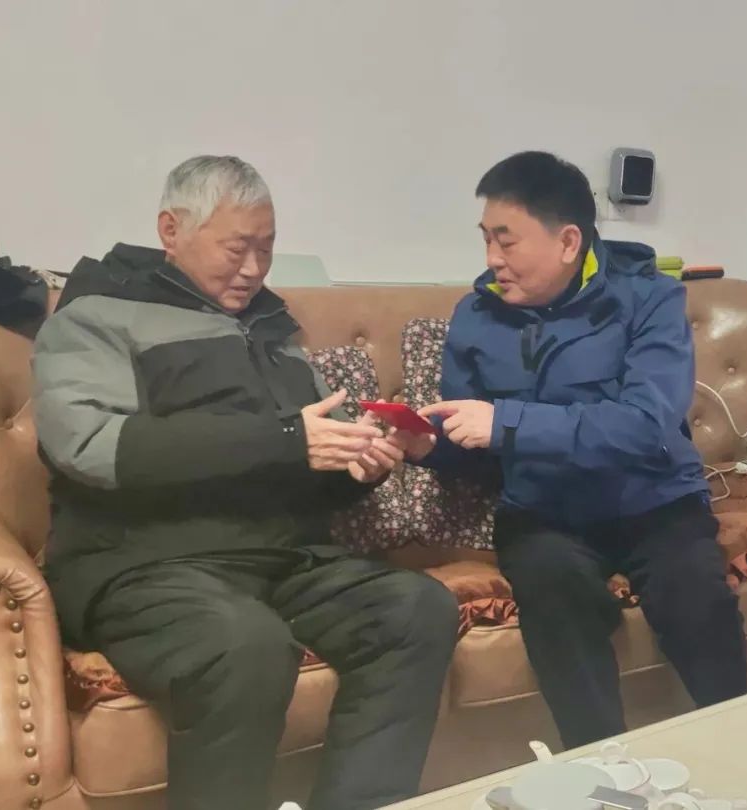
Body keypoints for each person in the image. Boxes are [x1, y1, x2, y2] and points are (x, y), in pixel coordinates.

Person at [31, 155, 459, 810]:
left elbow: (301, 463)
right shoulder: (95, 316)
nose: (255, 268)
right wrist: (286, 438)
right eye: (237, 249)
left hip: (280, 557)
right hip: (147, 563)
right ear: (171, 230)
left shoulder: (270, 326)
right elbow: (87, 446)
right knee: (243, 645)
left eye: (267, 247)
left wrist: (357, 466)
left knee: (416, 609)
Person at [400, 151, 747, 749]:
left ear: (567, 242)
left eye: (506, 240)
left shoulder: (650, 299)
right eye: (485, 238)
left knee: (695, 594)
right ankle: (600, 765)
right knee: (552, 592)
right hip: (544, 512)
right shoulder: (476, 316)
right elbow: (476, 446)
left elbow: (646, 426)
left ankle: (742, 744)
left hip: (654, 501)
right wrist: (426, 445)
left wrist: (507, 423)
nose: (491, 258)